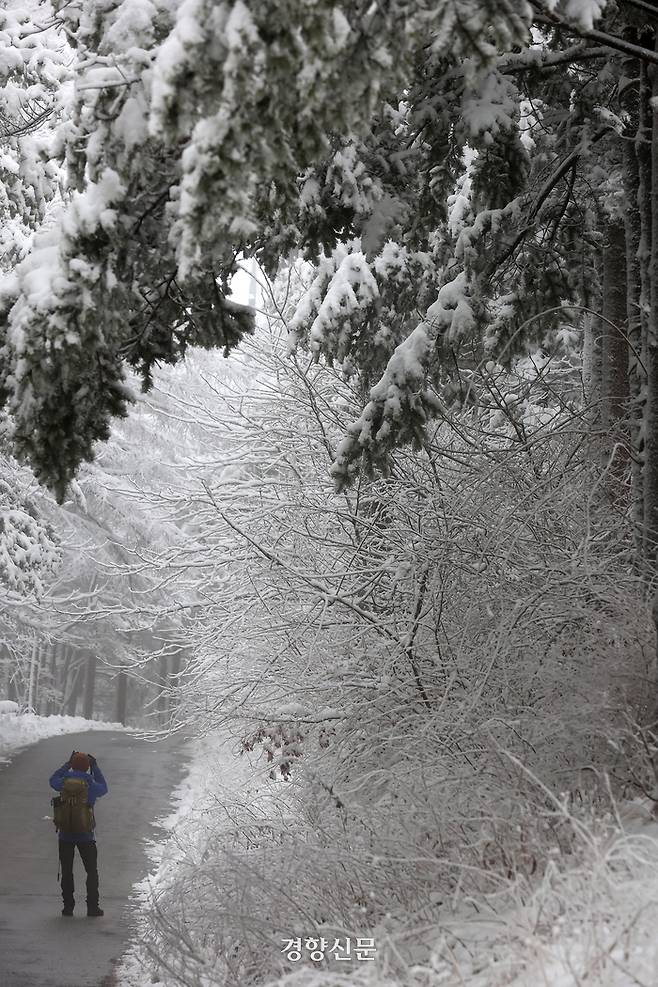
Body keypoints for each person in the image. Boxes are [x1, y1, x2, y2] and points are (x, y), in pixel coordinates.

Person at [49, 750, 108, 917]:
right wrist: (95, 767)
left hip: (65, 834)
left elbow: (52, 779)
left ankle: (68, 907)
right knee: (91, 871)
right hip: (86, 835)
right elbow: (104, 788)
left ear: (73, 765)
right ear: (87, 766)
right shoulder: (90, 783)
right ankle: (92, 907)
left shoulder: (64, 781)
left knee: (67, 871)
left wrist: (67, 765)